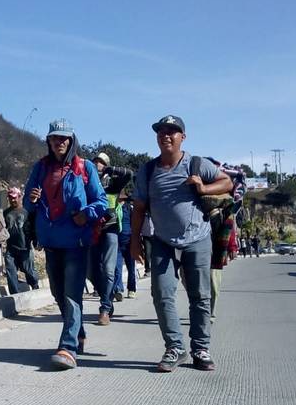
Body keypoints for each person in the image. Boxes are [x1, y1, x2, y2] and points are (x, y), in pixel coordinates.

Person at [131, 115, 233, 372]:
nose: (166, 135)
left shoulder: (197, 164)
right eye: (161, 131)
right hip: (162, 241)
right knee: (161, 294)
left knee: (200, 296)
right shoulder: (147, 171)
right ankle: (175, 347)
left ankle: (201, 348)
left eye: (172, 132)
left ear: (182, 137)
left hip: (197, 239)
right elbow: (139, 207)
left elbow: (227, 182)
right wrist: (134, 241)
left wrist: (203, 188)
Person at [25, 119, 107, 370]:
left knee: (72, 294)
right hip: (50, 240)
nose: (59, 142)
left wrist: (87, 213)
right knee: (58, 292)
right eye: (54, 138)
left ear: (71, 141)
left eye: (64, 138)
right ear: (48, 141)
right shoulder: (41, 167)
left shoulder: (86, 167)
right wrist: (32, 198)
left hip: (76, 241)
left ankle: (68, 347)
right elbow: (29, 204)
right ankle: (78, 332)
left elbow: (101, 201)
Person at [90, 152, 133, 325]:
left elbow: (129, 174)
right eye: (96, 162)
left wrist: (110, 169)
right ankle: (106, 296)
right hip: (91, 230)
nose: (98, 165)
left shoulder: (113, 183)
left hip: (110, 230)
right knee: (90, 271)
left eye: (101, 163)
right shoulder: (87, 182)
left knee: (108, 270)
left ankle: (105, 308)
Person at [3, 187, 39, 293]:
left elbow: (33, 228)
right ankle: (14, 294)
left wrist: (36, 241)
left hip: (25, 247)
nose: (12, 200)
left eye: (14, 198)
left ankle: (35, 287)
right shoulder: (6, 213)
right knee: (11, 272)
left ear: (20, 197)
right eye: (10, 198)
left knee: (30, 271)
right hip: (11, 248)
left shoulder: (27, 211)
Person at [113, 191, 137, 299]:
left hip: (129, 241)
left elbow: (134, 224)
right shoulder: (114, 209)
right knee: (117, 267)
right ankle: (118, 289)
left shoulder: (129, 208)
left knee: (131, 267)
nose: (121, 200)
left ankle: (131, 289)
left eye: (122, 199)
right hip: (117, 241)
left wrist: (136, 240)